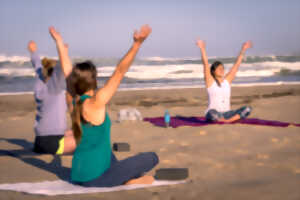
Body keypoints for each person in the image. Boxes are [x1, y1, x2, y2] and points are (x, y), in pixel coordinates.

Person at [49, 25, 159, 187]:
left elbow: (67, 73)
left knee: (108, 153)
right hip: (96, 179)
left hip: (78, 175)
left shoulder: (73, 101)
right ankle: (129, 180)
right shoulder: (95, 103)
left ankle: (125, 177)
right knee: (152, 157)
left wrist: (59, 44)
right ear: (94, 80)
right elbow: (119, 72)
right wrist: (137, 45)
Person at [27, 40, 76, 154]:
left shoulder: (40, 80)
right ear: (55, 75)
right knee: (89, 140)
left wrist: (33, 51)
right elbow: (60, 68)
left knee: (76, 131)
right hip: (53, 143)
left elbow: (37, 65)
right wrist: (63, 52)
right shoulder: (54, 87)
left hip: (39, 141)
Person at [196, 39, 253, 123]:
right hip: (214, 113)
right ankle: (225, 120)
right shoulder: (210, 82)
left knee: (248, 109)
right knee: (211, 113)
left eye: (222, 68)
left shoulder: (226, 81)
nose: (222, 70)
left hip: (227, 114)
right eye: (219, 68)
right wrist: (202, 48)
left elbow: (236, 65)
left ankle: (228, 121)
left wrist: (243, 49)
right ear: (213, 71)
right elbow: (205, 64)